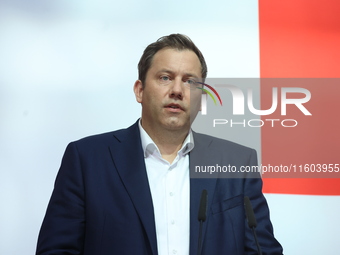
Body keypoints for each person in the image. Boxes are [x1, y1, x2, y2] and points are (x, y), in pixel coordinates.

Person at [36, 34, 283, 255]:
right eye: (165, 77)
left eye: (189, 81)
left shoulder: (237, 163)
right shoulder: (87, 160)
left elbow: (263, 250)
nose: (177, 90)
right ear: (139, 91)